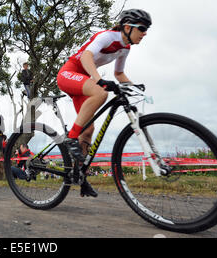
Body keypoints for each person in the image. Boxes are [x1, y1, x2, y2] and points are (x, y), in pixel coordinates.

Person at [57, 9, 152, 197]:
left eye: (147, 29)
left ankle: (79, 175)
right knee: (101, 92)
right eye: (142, 28)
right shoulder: (108, 36)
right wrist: (99, 79)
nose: (145, 33)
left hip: (84, 83)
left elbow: (119, 74)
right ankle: (70, 138)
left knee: (88, 131)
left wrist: (133, 87)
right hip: (69, 74)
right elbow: (85, 56)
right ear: (127, 27)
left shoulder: (125, 48)